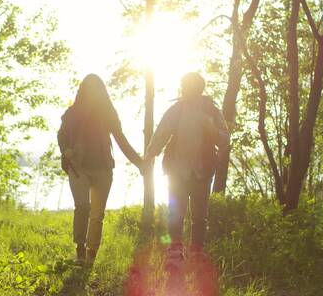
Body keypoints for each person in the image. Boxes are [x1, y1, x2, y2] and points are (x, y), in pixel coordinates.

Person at [144, 72, 229, 266]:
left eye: (189, 87)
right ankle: (175, 251)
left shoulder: (211, 111)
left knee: (200, 215)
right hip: (176, 171)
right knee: (177, 213)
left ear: (199, 89)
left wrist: (211, 129)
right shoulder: (176, 110)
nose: (186, 90)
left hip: (203, 170)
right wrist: (151, 153)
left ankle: (197, 252)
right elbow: (162, 133)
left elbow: (224, 139)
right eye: (185, 87)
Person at [58, 74, 143, 264]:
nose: (93, 91)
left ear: (102, 91)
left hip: (103, 168)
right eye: (89, 88)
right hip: (79, 167)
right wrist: (66, 151)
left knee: (97, 214)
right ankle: (80, 249)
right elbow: (61, 135)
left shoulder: (108, 113)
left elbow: (121, 140)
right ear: (83, 90)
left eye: (96, 88)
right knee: (82, 207)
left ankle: (91, 254)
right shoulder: (72, 112)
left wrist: (139, 162)